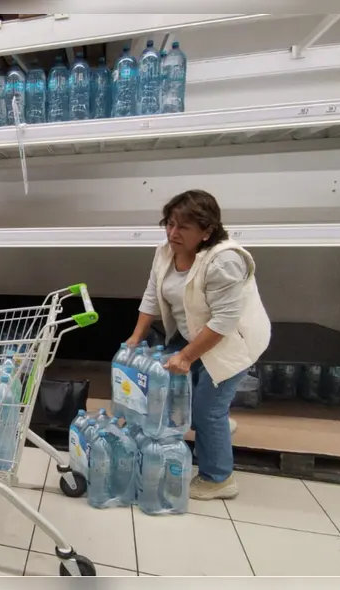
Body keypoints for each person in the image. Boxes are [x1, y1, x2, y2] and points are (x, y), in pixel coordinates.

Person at [125, 190, 271, 501]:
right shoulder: (166, 251)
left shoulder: (225, 261)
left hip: (230, 343)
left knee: (207, 409)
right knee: (176, 398)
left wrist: (187, 357)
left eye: (183, 227)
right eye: (169, 223)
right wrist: (136, 337)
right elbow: (152, 293)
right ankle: (217, 428)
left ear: (206, 231)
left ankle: (219, 478)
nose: (172, 233)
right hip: (191, 333)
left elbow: (224, 322)